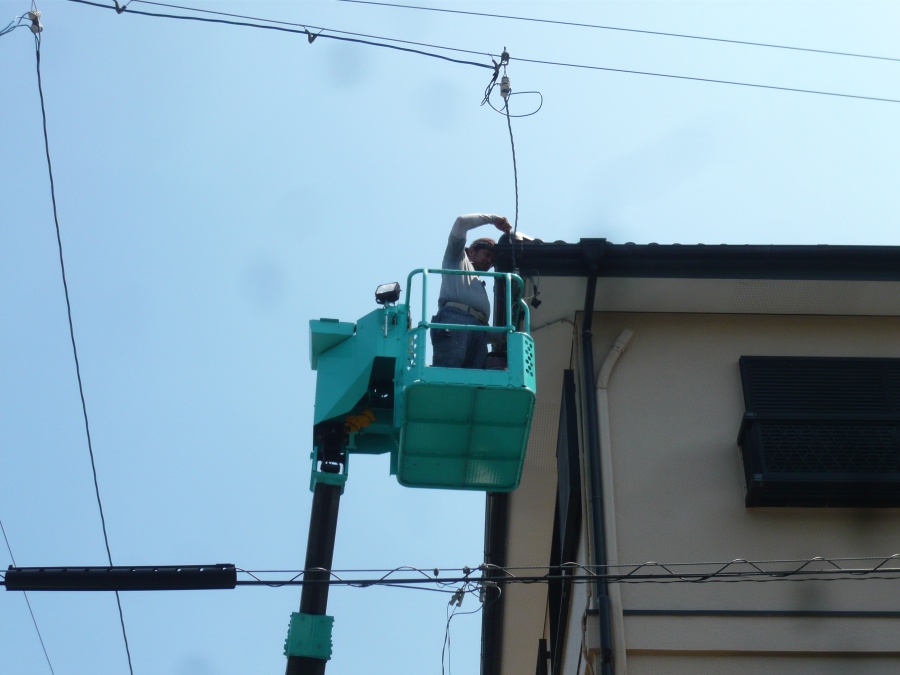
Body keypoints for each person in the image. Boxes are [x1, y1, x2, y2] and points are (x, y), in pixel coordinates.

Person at [431, 213, 512, 368]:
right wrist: (493, 219)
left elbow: (480, 325)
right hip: (454, 319)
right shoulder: (457, 259)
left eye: (492, 261)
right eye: (487, 254)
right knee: (448, 372)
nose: (489, 261)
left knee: (474, 379)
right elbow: (461, 222)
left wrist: (504, 334)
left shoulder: (478, 283)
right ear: (471, 252)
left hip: (479, 330)